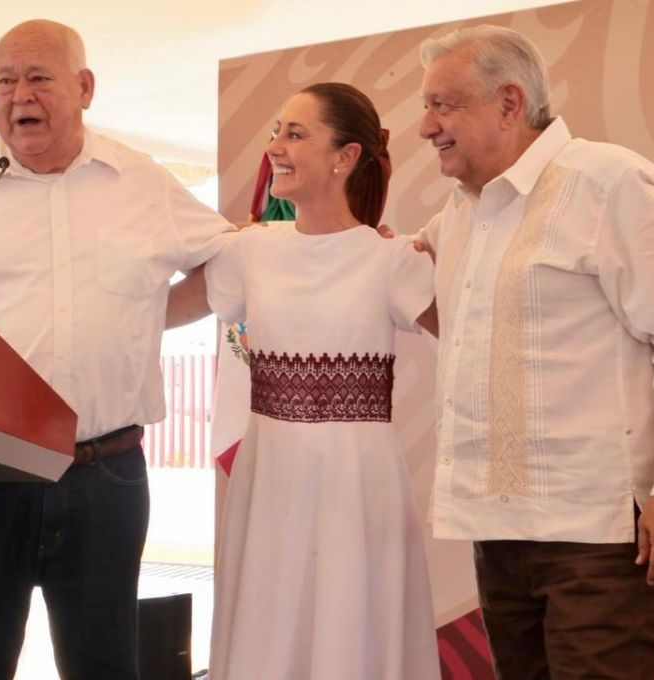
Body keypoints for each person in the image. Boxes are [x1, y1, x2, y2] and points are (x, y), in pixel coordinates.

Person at [0, 20, 232, 680]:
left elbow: (229, 262)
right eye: (5, 80)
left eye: (38, 77)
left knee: (104, 662)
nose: (19, 94)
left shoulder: (140, 182)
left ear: (84, 87)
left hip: (105, 473)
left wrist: (146, 319)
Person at [413, 25, 654, 679]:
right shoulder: (460, 216)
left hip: (598, 536)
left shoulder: (607, 181)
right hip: (497, 532)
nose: (426, 126)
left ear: (508, 102)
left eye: (442, 104)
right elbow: (440, 307)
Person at [170, 82, 442, 679]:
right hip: (270, 480)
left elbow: (476, 337)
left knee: (352, 632)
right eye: (276, 131)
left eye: (295, 133)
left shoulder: (390, 258)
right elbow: (159, 310)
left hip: (355, 487)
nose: (274, 147)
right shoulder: (250, 251)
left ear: (344, 157)